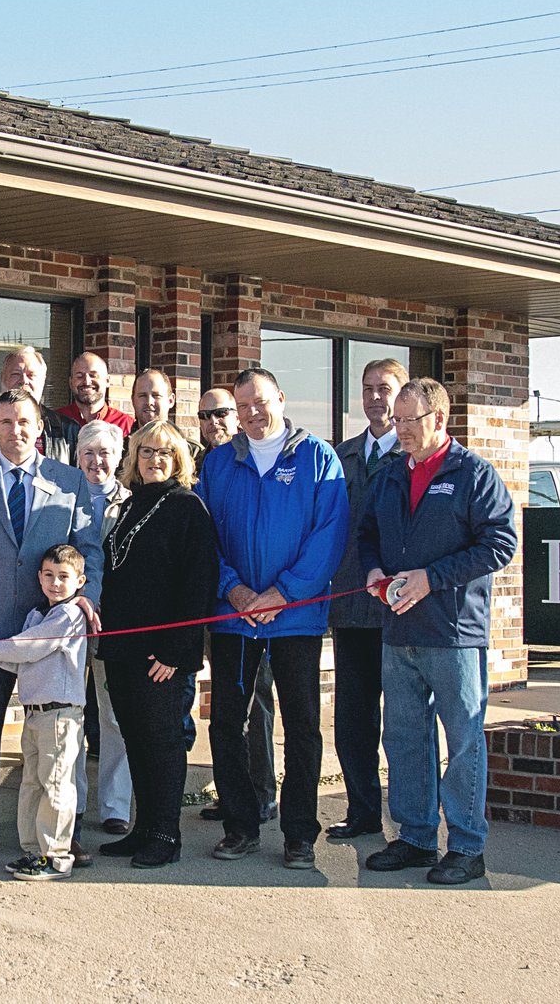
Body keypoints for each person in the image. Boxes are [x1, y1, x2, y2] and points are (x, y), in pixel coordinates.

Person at [0, 389, 103, 867]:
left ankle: (61, 835)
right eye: (5, 422)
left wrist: (86, 601)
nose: (16, 431)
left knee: (58, 740)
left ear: (40, 426)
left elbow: (89, 550)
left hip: (49, 636)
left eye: (24, 421)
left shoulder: (69, 481)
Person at [358, 377, 516, 887]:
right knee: (403, 737)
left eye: (411, 421)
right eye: (397, 421)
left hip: (453, 634)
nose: (400, 429)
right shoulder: (388, 475)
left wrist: (432, 579)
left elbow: (499, 544)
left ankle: (467, 846)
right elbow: (367, 536)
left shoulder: (473, 474)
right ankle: (417, 836)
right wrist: (373, 571)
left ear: (440, 420)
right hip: (397, 628)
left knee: (464, 739)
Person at [196, 367, 349, 870]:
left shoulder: (317, 457)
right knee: (226, 724)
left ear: (280, 399)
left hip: (296, 618)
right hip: (234, 618)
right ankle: (240, 825)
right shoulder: (218, 464)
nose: (253, 413)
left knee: (302, 724)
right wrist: (235, 590)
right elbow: (204, 538)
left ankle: (300, 833)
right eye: (243, 407)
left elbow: (328, 534)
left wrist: (282, 593)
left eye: (260, 402)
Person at [96, 421, 220, 869]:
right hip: (125, 651)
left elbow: (198, 585)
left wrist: (175, 653)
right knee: (135, 740)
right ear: (135, 456)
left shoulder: (187, 507)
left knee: (163, 744)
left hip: (162, 657)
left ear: (179, 459)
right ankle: (143, 828)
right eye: (147, 452)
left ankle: (166, 834)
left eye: (165, 453)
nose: (155, 460)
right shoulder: (131, 505)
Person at [0, 545, 91, 882]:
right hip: (35, 713)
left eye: (64, 577)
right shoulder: (37, 616)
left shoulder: (70, 615)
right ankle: (33, 850)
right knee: (33, 783)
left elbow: (34, 645)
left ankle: (55, 857)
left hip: (60, 715)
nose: (55, 583)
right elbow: (18, 657)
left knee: (56, 784)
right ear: (39, 577)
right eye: (49, 575)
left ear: (80, 581)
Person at [327, 357, 408, 842]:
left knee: (402, 724)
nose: (376, 397)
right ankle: (361, 813)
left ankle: (409, 820)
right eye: (369, 389)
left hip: (402, 613)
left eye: (386, 389)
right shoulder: (343, 455)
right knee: (353, 721)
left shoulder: (415, 456)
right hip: (353, 609)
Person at [190, 383, 273, 826]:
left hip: (253, 607)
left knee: (255, 700)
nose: (213, 423)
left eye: (221, 413)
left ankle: (261, 793)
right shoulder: (205, 465)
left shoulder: (254, 458)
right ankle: (232, 792)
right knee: (223, 706)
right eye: (204, 416)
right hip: (212, 603)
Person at [73, 420, 134, 837]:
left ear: (119, 458)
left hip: (115, 624)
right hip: (71, 623)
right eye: (89, 453)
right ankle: (71, 800)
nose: (97, 461)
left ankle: (115, 805)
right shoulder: (60, 496)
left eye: (105, 453)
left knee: (113, 717)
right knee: (69, 714)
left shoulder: (130, 503)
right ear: (77, 456)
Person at [0, 346, 78, 464]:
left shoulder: (68, 430)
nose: (23, 380)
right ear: (3, 378)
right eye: (15, 374)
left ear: (43, 380)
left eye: (31, 375)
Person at [57, 351, 135, 436]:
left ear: (107, 381)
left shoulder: (126, 425)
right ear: (71, 383)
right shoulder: (55, 421)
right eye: (80, 376)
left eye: (93, 375)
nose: (87, 381)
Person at [129, 367, 177, 433]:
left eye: (156, 396)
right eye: (142, 396)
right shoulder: (120, 443)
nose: (149, 402)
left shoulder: (183, 443)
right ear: (133, 400)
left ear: (170, 401)